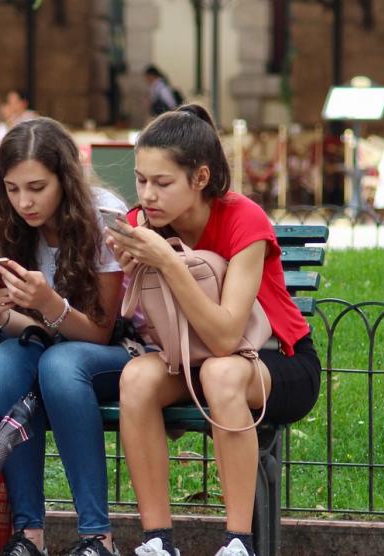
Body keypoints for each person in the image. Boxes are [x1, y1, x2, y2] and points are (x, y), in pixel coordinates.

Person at [109, 105, 321, 556]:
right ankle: (157, 541)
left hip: (275, 360)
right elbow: (127, 319)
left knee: (221, 373)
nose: (147, 195)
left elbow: (227, 338)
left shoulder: (243, 219)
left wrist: (166, 261)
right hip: (189, 358)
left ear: (200, 178)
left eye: (162, 183)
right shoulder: (140, 225)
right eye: (141, 180)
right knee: (137, 378)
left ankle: (237, 543)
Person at [0, 118, 138, 556]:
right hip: (48, 347)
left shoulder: (102, 215)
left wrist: (50, 304)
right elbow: (29, 330)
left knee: (61, 363)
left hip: (113, 354)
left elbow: (102, 330)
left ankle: (97, 536)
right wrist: (1, 315)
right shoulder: (9, 223)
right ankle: (27, 533)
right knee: (8, 361)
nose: (24, 202)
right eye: (12, 189)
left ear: (64, 179)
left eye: (36, 187)